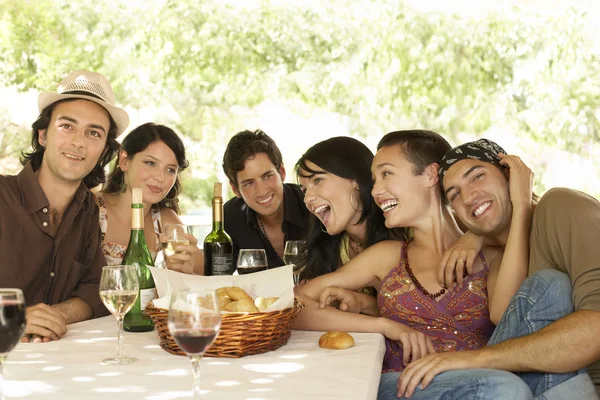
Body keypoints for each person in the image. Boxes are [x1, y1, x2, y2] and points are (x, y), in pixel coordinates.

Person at [294, 131, 532, 399]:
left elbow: (505, 314)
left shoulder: (492, 255)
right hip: (396, 387)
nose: (374, 191)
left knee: (505, 386)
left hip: (474, 387)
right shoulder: (386, 256)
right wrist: (386, 325)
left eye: (386, 174)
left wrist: (519, 204)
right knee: (506, 389)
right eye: (374, 180)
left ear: (431, 175)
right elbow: (295, 305)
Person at [389, 138, 600, 399]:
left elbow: (596, 327)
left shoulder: (561, 207)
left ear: (510, 173)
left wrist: (469, 360)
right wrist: (476, 235)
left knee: (551, 284)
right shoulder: (494, 253)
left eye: (477, 176)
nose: (467, 197)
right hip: (530, 389)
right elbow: (503, 315)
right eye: (454, 194)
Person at [0, 69, 128, 343]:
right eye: (67, 126)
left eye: (93, 133)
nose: (78, 142)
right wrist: (11, 316)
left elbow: (95, 288)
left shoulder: (87, 210)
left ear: (104, 151)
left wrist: (55, 314)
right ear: (43, 135)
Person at [295, 136, 405, 288]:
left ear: (356, 180)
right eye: (304, 190)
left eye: (318, 180)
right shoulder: (329, 249)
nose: (307, 199)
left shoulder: (406, 233)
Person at [99, 122, 203, 274]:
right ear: (124, 160)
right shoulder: (95, 210)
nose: (160, 177)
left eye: (170, 170)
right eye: (150, 163)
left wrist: (188, 270)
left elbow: (206, 276)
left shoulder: (164, 220)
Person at [222, 129, 309, 268]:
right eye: (249, 183)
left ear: (282, 172)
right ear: (235, 189)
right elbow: (218, 274)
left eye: (267, 176)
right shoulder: (231, 216)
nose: (262, 191)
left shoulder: (310, 202)